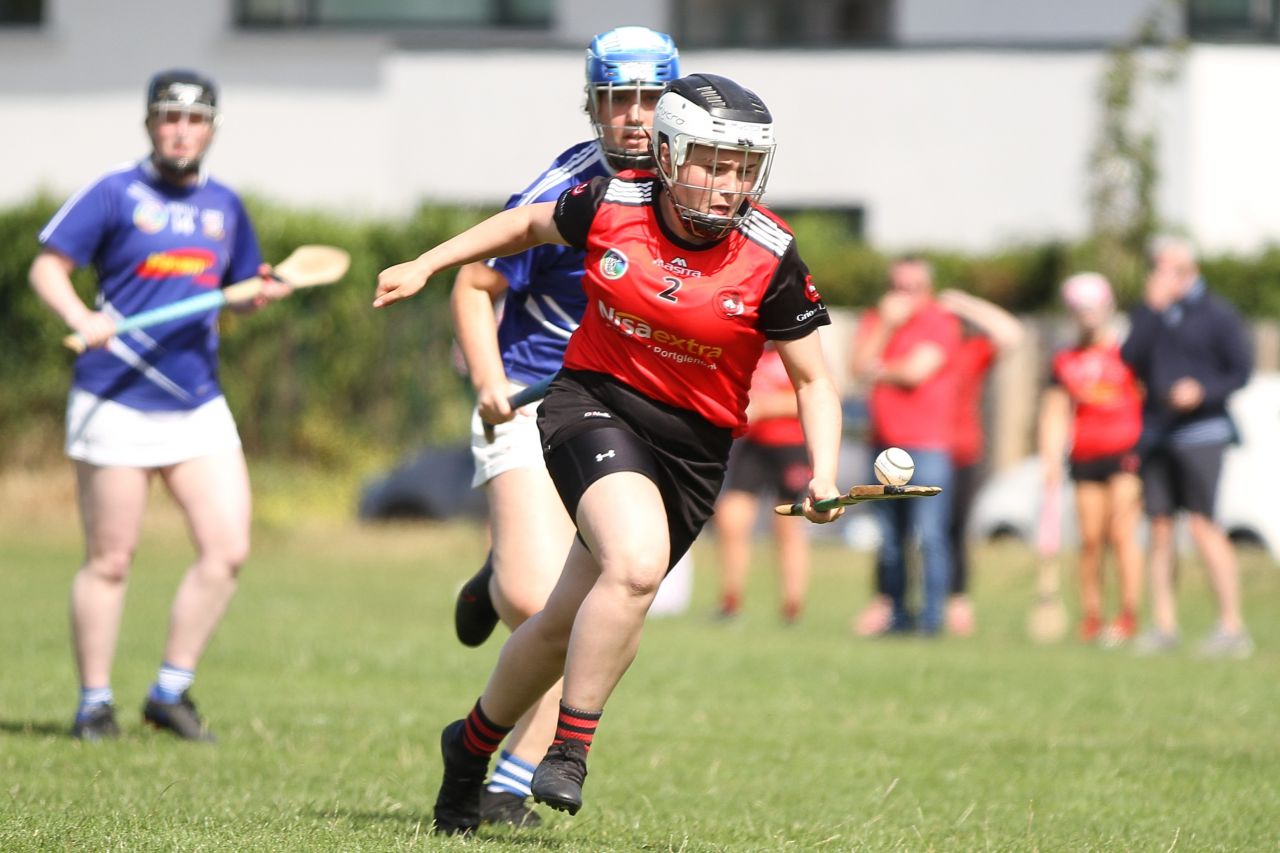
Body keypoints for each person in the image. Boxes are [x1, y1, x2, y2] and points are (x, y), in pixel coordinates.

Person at [374, 73, 844, 833]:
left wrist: (824, 471)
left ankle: (467, 749)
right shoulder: (614, 203)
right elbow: (524, 228)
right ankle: (569, 749)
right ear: (665, 153)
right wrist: (427, 264)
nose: (729, 187)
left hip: (691, 451)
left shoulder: (772, 255)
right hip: (589, 405)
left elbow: (815, 380)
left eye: (743, 169)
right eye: (711, 163)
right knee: (636, 563)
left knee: (562, 620)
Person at [446, 25, 680, 828]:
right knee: (527, 596)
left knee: (597, 600)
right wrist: (487, 382)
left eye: (652, 99)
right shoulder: (562, 190)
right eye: (619, 99)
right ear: (593, 105)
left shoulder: (699, 198)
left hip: (626, 413)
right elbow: (474, 285)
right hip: (531, 395)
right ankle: (493, 576)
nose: (636, 117)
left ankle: (511, 778)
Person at [28, 69, 290, 741]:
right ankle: (93, 702)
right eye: (169, 117)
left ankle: (169, 690)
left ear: (211, 128)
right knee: (111, 558)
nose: (181, 129)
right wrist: (81, 315)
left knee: (227, 548)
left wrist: (257, 293)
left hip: (196, 400)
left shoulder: (227, 205)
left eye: (195, 118)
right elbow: (47, 267)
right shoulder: (116, 192)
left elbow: (241, 285)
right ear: (150, 124)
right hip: (115, 393)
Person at [1120, 236, 1254, 658]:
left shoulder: (1217, 315)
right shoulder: (1152, 315)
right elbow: (1130, 357)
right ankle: (1163, 626)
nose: (1159, 275)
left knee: (1202, 524)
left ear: (1187, 269)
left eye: (1167, 267)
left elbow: (1241, 370)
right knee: (1160, 529)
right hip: (1158, 433)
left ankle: (1232, 628)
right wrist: (1151, 312)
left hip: (1202, 433)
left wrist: (1203, 391)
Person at [849, 258, 961, 636]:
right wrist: (885, 327)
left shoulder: (940, 322)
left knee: (929, 537)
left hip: (927, 447)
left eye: (910, 287)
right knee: (891, 541)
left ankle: (931, 620)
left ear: (927, 289)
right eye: (896, 286)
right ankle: (897, 614)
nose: (901, 295)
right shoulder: (876, 321)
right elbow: (857, 367)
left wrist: (879, 369)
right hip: (884, 446)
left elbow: (916, 372)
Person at [1038, 273, 1144, 645]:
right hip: (1085, 455)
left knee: (1121, 533)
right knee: (1090, 538)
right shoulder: (1066, 358)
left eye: (1093, 308)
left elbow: (1145, 398)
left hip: (1126, 453)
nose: (1088, 317)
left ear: (1107, 308)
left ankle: (1128, 613)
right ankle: (1092, 616)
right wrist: (1050, 459)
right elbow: (1054, 411)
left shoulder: (1129, 352)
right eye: (1080, 311)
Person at [935, 288, 1024, 636]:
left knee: (956, 532)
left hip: (962, 451)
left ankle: (957, 602)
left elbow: (1012, 333)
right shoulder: (923, 351)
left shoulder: (969, 351)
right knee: (919, 535)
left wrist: (963, 303)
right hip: (922, 450)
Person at [713, 344, 812, 625]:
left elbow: (815, 393)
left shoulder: (796, 350)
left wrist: (767, 406)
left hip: (791, 447)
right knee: (731, 518)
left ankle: (792, 606)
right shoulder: (749, 352)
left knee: (786, 526)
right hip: (754, 446)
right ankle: (730, 601)